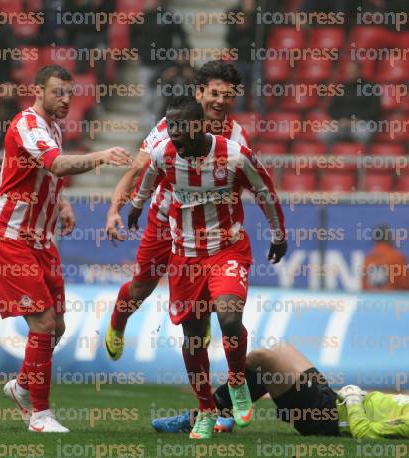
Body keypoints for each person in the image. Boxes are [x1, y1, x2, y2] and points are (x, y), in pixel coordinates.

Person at [0, 65, 132, 433]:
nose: (66, 100)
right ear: (39, 91)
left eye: (70, 93)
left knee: (58, 327)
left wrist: (61, 204)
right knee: (44, 323)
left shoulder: (52, 128)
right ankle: (40, 415)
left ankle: (21, 386)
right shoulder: (28, 125)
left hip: (41, 242)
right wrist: (101, 156)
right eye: (57, 93)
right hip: (11, 239)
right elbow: (56, 164)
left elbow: (45, 174)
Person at [128, 96, 287, 439]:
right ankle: (204, 408)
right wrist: (136, 206)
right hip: (185, 257)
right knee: (194, 339)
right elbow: (149, 177)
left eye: (181, 127)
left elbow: (265, 192)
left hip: (226, 250)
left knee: (229, 317)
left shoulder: (233, 155)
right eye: (170, 126)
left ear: (199, 125)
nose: (174, 134)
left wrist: (278, 235)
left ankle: (236, 379)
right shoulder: (165, 152)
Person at [104, 61, 251, 362]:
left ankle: (201, 325)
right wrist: (114, 210)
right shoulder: (167, 128)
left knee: (212, 290)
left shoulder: (236, 138)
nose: (220, 101)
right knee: (140, 289)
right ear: (199, 93)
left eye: (227, 95)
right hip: (163, 222)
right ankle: (118, 321)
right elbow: (136, 171)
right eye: (214, 93)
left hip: (204, 232)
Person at [153, 344, 409, 441]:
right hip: (331, 401)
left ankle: (206, 416)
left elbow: (368, 433)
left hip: (326, 416)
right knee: (273, 357)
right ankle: (222, 416)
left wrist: (352, 400)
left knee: (260, 357)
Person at [362, 224, 409, 291]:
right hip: (394, 299)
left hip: (371, 300)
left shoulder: (367, 259)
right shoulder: (397, 258)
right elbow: (405, 286)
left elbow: (363, 287)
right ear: (389, 238)